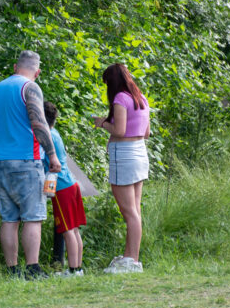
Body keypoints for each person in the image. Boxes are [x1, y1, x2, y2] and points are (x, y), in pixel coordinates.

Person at [0, 50, 61, 280]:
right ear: (37, 72)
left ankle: (12, 270)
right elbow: (39, 123)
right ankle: (33, 269)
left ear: (15, 67)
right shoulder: (30, 88)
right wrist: (52, 156)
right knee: (33, 217)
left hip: (1, 161)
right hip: (26, 161)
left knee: (9, 218)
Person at [92, 63, 151, 274]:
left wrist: (102, 123)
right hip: (140, 153)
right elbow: (146, 133)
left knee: (129, 212)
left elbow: (120, 130)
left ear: (112, 82)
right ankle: (130, 258)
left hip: (124, 156)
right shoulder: (141, 98)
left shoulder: (120, 99)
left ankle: (131, 261)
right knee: (135, 211)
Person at [42, 101, 87, 277]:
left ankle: (73, 270)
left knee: (68, 230)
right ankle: (78, 268)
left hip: (61, 187)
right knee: (74, 229)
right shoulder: (55, 133)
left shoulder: (46, 136)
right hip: (71, 184)